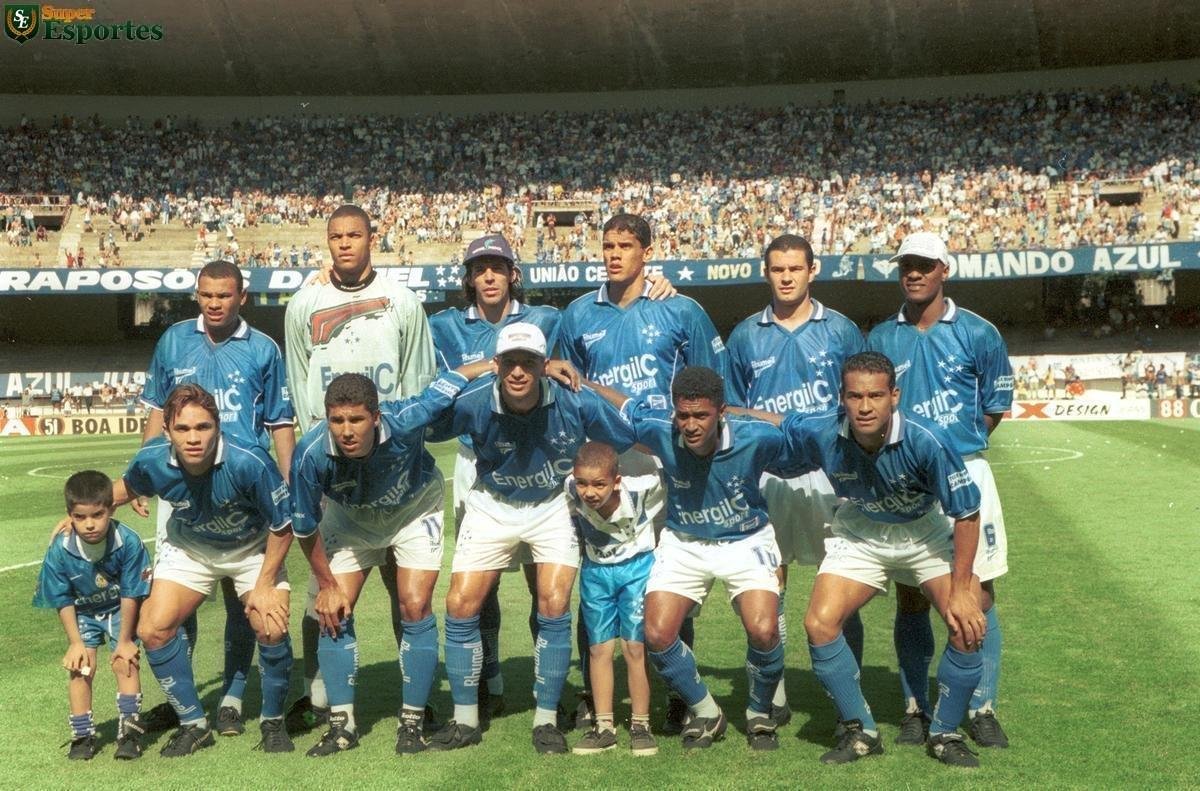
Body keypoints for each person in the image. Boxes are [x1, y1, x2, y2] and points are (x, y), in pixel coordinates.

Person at [754, 351, 988, 767]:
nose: (865, 406)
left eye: (875, 396)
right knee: (819, 623)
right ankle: (861, 729)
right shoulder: (823, 430)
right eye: (855, 396)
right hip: (861, 531)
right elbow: (779, 423)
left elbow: (967, 512)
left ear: (894, 396)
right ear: (841, 398)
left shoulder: (927, 439)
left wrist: (961, 589)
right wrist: (724, 412)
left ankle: (945, 734)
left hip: (924, 533)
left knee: (966, 624)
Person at [426, 323, 637, 754]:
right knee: (460, 604)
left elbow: (624, 432)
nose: (518, 372)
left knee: (553, 603)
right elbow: (427, 423)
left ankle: (546, 720)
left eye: (529, 362)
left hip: (553, 503)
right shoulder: (476, 399)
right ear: (497, 365)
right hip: (492, 503)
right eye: (510, 363)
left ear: (544, 366)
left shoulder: (573, 398)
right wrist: (471, 371)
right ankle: (465, 719)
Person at [558, 212, 728, 733]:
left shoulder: (679, 309)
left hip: (665, 461)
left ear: (647, 252)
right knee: (598, 572)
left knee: (668, 577)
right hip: (603, 466)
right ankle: (594, 695)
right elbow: (566, 385)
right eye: (607, 246)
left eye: (625, 246)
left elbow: (710, 382)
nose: (614, 255)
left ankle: (678, 692)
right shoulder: (579, 314)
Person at [588, 365, 803, 751]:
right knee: (657, 633)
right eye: (683, 415)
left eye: (701, 415)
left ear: (721, 412)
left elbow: (800, 432)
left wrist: (747, 412)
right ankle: (707, 711)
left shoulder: (756, 437)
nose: (690, 425)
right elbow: (626, 406)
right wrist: (576, 377)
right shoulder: (660, 430)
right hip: (684, 541)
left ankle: (759, 713)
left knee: (764, 630)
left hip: (745, 539)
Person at [284, 204, 436, 732]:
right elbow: (300, 383)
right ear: (327, 242)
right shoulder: (304, 303)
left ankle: (415, 696)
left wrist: (400, 453)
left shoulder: (403, 301)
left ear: (373, 238)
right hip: (336, 465)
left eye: (354, 235)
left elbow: (419, 378)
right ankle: (319, 695)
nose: (345, 244)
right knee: (321, 594)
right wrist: (320, 460)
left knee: (406, 590)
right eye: (336, 237)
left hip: (392, 462)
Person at [290, 365, 492, 757]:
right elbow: (304, 527)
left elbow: (449, 383)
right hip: (350, 520)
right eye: (337, 420)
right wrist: (327, 585)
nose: (346, 430)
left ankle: (412, 721)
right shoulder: (309, 454)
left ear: (376, 417)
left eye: (356, 419)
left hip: (414, 511)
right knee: (334, 611)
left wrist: (493, 364)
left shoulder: (407, 417)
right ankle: (342, 725)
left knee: (414, 605)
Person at [867, 231, 1014, 749]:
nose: (913, 273)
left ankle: (981, 707)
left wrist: (950, 455)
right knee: (911, 594)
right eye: (906, 264)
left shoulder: (979, 332)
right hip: (906, 479)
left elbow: (994, 407)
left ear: (943, 269)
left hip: (967, 472)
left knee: (979, 593)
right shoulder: (881, 337)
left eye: (924, 264)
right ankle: (915, 707)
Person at [138, 258, 295, 738]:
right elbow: (155, 410)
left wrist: (288, 481)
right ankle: (181, 701)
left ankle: (231, 697)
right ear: (197, 295)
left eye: (224, 295)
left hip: (242, 487)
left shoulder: (263, 349)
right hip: (182, 484)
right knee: (173, 601)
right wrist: (146, 469)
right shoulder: (173, 340)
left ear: (241, 297)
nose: (214, 303)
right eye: (206, 295)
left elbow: (279, 422)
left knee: (242, 600)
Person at [724, 233, 865, 726]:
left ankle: (847, 697)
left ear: (812, 270)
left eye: (795, 269)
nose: (786, 278)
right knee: (769, 586)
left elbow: (859, 399)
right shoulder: (745, 335)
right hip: (767, 478)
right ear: (766, 272)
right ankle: (774, 695)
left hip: (831, 477)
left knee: (845, 586)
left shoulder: (842, 331)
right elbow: (731, 410)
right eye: (778, 269)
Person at [428, 233, 562, 724]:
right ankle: (490, 682)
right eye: (479, 269)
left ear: (512, 274)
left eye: (497, 268)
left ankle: (549, 686)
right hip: (475, 459)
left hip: (538, 455)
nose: (488, 277)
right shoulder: (443, 325)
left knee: (543, 582)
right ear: (468, 277)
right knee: (479, 585)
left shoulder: (547, 319)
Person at [118, 384, 295, 756]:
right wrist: (78, 513)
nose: (194, 438)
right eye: (183, 429)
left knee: (271, 626)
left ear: (218, 426)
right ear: (167, 431)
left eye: (203, 427)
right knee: (152, 629)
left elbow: (283, 524)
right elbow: (124, 489)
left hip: (250, 551)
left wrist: (265, 583)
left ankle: (273, 721)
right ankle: (194, 724)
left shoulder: (249, 461)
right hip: (191, 550)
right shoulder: (151, 459)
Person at [34, 470, 152, 761]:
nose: (89, 524)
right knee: (81, 667)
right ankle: (82, 735)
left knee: (125, 662)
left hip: (119, 608)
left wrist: (125, 640)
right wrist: (75, 643)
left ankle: (129, 733)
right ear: (69, 516)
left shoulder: (128, 541)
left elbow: (131, 592)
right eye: (80, 517)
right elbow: (62, 598)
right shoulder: (60, 549)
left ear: (111, 509)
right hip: (83, 612)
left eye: (97, 515)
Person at [567, 441, 661, 757]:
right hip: (595, 573)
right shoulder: (569, 489)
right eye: (582, 483)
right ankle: (604, 727)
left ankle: (641, 725)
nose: (589, 492)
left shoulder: (643, 489)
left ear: (617, 481)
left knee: (634, 647)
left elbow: (677, 471)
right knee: (598, 649)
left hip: (637, 571)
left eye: (599, 484)